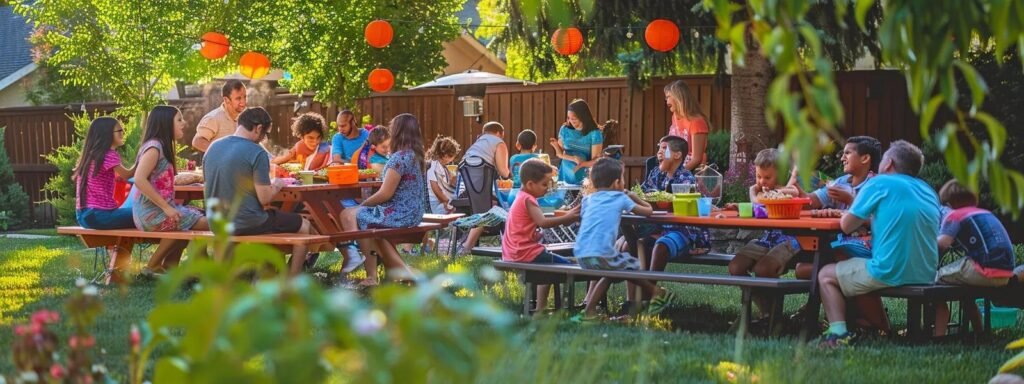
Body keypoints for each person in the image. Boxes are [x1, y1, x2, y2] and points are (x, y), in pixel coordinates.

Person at [818, 140, 940, 347]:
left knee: (825, 274)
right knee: (850, 262)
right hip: (927, 273)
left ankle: (837, 335)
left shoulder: (879, 183)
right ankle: (866, 321)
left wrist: (848, 208)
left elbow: (846, 226)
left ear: (888, 163)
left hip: (890, 270)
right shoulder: (927, 189)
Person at [204, 107, 332, 275]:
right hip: (247, 222)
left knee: (277, 217)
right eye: (265, 133)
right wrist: (278, 184)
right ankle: (291, 280)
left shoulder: (213, 147)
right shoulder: (256, 152)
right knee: (304, 225)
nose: (264, 138)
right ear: (258, 128)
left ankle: (269, 269)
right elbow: (264, 198)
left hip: (216, 221)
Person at [791, 136, 886, 332]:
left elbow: (880, 220)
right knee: (802, 268)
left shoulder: (876, 185)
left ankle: (877, 324)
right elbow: (810, 201)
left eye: (847, 153)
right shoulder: (842, 182)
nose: (842, 158)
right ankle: (852, 318)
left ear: (865, 158)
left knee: (836, 258)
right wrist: (796, 179)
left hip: (870, 245)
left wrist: (851, 200)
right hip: (841, 242)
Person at [574, 157, 675, 321]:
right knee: (633, 265)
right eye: (622, 179)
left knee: (613, 272)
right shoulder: (620, 198)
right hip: (601, 253)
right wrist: (634, 196)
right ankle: (656, 294)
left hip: (581, 253)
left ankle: (589, 311)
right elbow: (648, 211)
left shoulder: (588, 199)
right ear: (616, 183)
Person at [339, 113, 427, 286]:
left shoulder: (399, 158)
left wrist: (363, 205)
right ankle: (384, 272)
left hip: (400, 214)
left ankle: (368, 270)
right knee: (367, 223)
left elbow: (385, 193)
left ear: (398, 132)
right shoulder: (414, 155)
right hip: (413, 212)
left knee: (356, 216)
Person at [630, 136, 709, 313]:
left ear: (677, 155)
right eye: (658, 147)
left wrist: (653, 198)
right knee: (641, 243)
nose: (658, 152)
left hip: (684, 230)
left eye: (663, 148)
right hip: (661, 228)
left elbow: (672, 203)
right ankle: (645, 298)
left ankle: (650, 300)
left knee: (660, 246)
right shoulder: (656, 174)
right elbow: (642, 193)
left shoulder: (686, 178)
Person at [727, 149, 801, 324]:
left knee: (763, 269)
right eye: (759, 177)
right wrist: (739, 206)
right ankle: (765, 310)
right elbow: (760, 210)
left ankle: (774, 316)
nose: (762, 182)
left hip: (789, 240)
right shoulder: (764, 191)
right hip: (768, 239)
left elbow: (794, 193)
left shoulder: (785, 189)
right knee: (736, 266)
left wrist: (753, 194)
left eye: (767, 178)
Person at [933, 180, 1016, 336]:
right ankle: (980, 333)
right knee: (965, 293)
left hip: (984, 270)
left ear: (952, 202)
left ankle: (938, 335)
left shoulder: (955, 215)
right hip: (1006, 273)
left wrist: (925, 238)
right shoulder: (985, 213)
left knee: (933, 280)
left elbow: (943, 244)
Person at [133, 106, 209, 276]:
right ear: (166, 123)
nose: (184, 123)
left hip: (158, 210)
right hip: (151, 213)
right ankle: (152, 266)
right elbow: (139, 179)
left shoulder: (160, 146)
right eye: (179, 119)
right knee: (209, 223)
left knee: (198, 215)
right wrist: (166, 207)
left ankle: (169, 268)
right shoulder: (154, 148)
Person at [503, 159, 580, 311]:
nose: (547, 188)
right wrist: (568, 218)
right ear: (531, 184)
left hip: (515, 252)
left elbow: (545, 214)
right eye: (544, 184)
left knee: (548, 268)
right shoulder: (528, 200)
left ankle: (541, 308)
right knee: (571, 267)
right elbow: (543, 222)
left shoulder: (522, 197)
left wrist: (568, 212)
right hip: (525, 254)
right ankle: (562, 309)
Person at [73, 117, 136, 230]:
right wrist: (142, 158)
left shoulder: (92, 155)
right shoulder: (109, 154)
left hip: (83, 217)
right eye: (119, 131)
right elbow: (127, 175)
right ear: (106, 134)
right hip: (99, 215)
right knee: (145, 214)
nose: (123, 133)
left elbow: (117, 177)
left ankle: (116, 248)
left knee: (139, 213)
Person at [458, 121, 510, 254]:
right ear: (500, 133)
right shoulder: (498, 142)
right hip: (481, 182)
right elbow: (504, 172)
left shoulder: (478, 143)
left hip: (464, 192)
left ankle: (466, 245)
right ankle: (466, 249)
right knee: (486, 211)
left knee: (483, 208)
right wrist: (512, 177)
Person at [549, 99, 604, 185]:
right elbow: (561, 153)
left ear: (583, 116)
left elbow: (596, 160)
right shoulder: (565, 129)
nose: (571, 121)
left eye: (574, 118)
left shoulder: (594, 133)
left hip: (584, 176)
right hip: (565, 174)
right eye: (569, 118)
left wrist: (582, 164)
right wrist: (556, 146)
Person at [664, 80, 708, 171]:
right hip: (675, 165)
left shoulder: (697, 122)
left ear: (678, 98)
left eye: (668, 97)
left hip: (691, 171)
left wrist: (677, 174)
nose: (666, 101)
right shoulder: (675, 117)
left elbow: (696, 159)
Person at [192, 79, 247, 153]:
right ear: (226, 99)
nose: (243, 101)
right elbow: (197, 141)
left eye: (245, 97)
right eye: (238, 98)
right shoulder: (213, 118)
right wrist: (222, 153)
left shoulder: (246, 117)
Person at [426, 136, 461, 214]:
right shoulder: (433, 166)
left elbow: (450, 182)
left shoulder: (443, 167)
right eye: (452, 157)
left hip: (442, 201)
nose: (452, 160)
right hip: (435, 204)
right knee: (458, 209)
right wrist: (446, 201)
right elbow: (435, 188)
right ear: (446, 156)